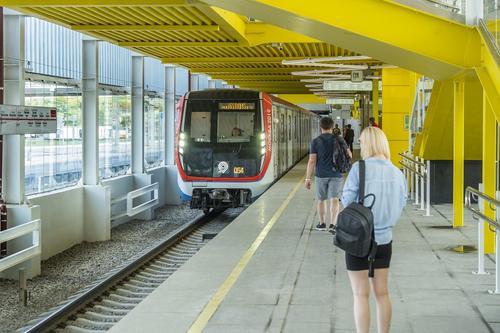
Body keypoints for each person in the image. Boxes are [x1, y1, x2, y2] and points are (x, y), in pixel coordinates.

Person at [341, 127, 406, 333]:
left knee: (360, 294)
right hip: (384, 240)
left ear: (368, 143)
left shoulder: (359, 169)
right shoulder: (397, 172)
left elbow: (346, 201)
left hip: (358, 240)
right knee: (382, 293)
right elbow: (401, 204)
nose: (360, 145)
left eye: (361, 141)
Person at [305, 117, 351, 231]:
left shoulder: (315, 141)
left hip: (321, 174)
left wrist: (308, 178)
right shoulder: (339, 139)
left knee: (321, 200)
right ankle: (333, 224)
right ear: (332, 127)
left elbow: (312, 161)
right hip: (336, 174)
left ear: (320, 127)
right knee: (334, 199)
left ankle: (322, 224)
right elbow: (349, 154)